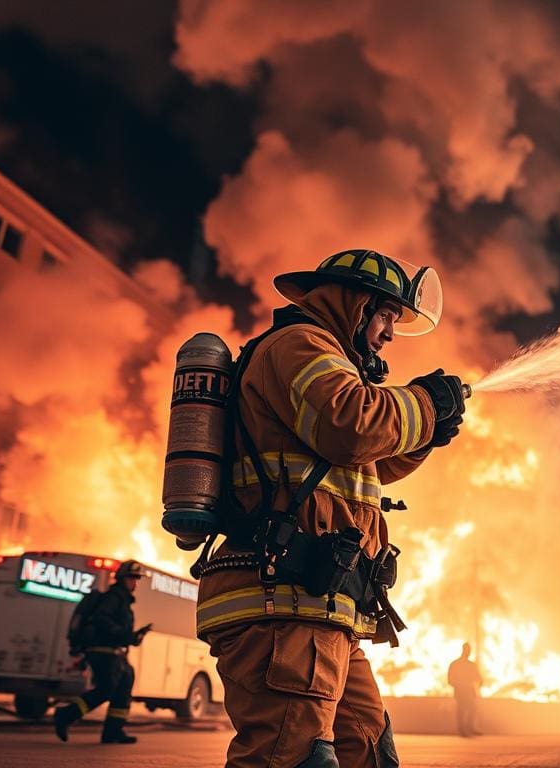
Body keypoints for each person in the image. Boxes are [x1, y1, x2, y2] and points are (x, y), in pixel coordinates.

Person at [196, 249, 467, 767]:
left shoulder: (327, 361)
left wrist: (424, 437)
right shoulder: (302, 344)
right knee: (290, 757)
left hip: (323, 608)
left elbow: (362, 466)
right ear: (355, 303)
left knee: (368, 749)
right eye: (386, 315)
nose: (389, 332)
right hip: (282, 602)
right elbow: (352, 426)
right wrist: (425, 405)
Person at [53, 559, 152, 745]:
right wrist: (124, 634)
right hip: (103, 652)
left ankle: (113, 731)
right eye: (132, 578)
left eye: (137, 579)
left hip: (115, 652)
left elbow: (117, 629)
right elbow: (102, 620)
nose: (135, 583)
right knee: (106, 689)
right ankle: (65, 715)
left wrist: (134, 636)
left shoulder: (122, 600)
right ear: (122, 578)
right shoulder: (114, 597)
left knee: (124, 686)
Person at [448, 642, 483, 737]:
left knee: (471, 709)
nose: (468, 652)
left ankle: (469, 729)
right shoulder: (456, 664)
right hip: (461, 691)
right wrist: (460, 685)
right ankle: (463, 731)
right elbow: (450, 679)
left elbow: (478, 678)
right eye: (467, 650)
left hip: (468, 691)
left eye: (469, 650)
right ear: (464, 650)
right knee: (462, 710)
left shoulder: (469, 665)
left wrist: (479, 683)